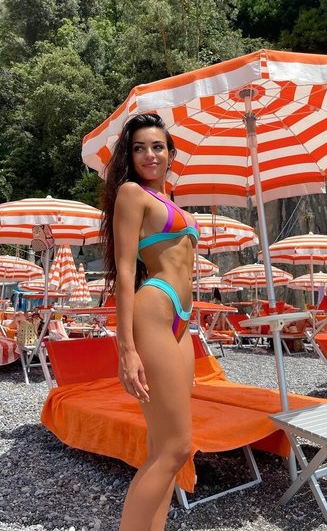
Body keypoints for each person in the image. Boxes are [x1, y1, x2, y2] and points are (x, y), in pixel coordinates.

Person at [101, 113, 199, 531]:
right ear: (130, 156)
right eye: (139, 148)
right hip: (154, 310)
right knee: (177, 448)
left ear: (171, 153)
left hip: (181, 321)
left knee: (162, 447)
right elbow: (125, 272)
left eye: (157, 146)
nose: (149, 154)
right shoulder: (131, 193)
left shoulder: (171, 202)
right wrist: (126, 349)